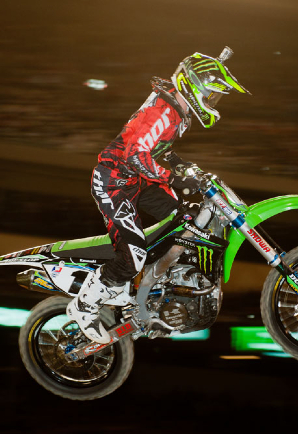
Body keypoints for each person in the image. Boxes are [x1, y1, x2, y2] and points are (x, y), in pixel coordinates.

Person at [67, 47, 250, 344]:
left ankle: (158, 283)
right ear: (194, 88)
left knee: (187, 220)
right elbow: (136, 155)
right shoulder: (164, 112)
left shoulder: (174, 109)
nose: (213, 102)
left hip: (138, 180)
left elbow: (155, 148)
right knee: (133, 254)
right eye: (212, 96)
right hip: (114, 183)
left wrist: (180, 165)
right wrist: (174, 177)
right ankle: (84, 305)